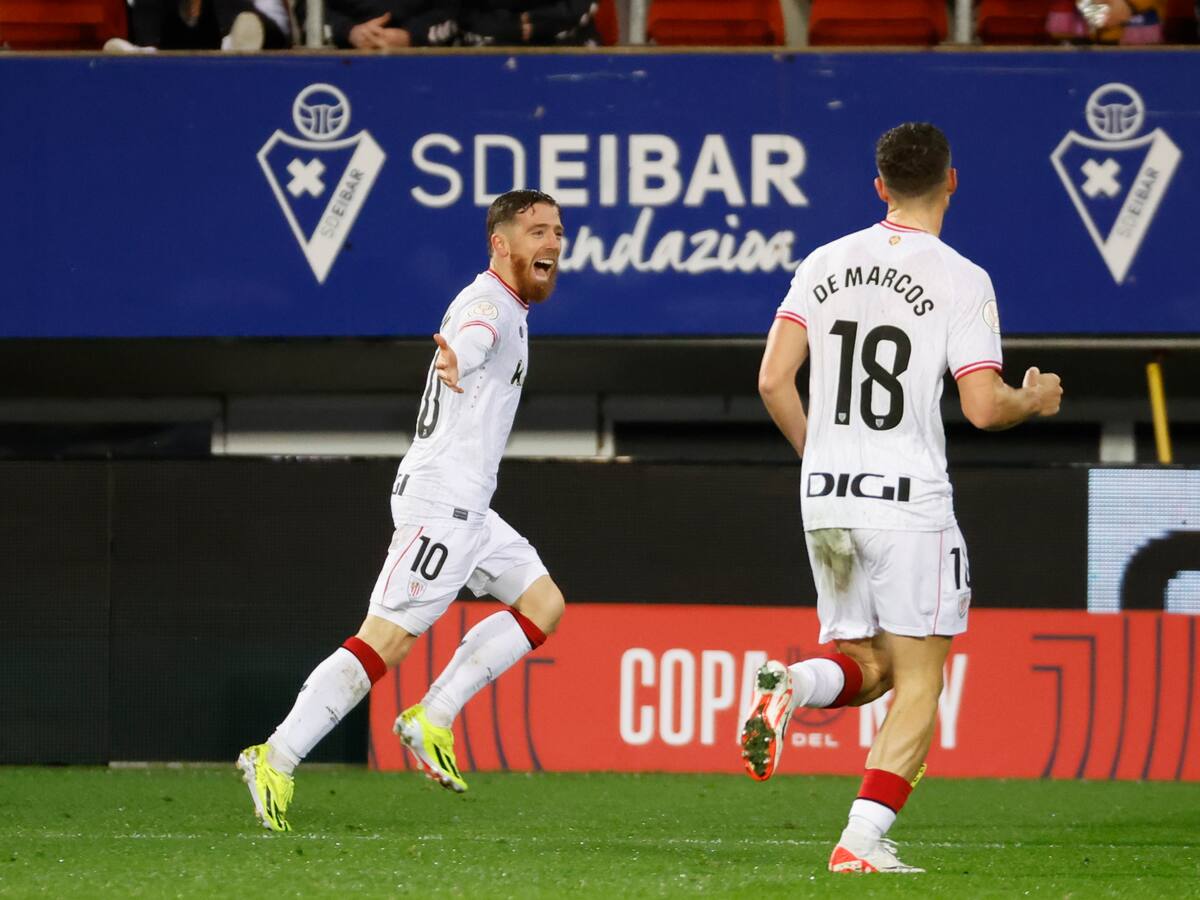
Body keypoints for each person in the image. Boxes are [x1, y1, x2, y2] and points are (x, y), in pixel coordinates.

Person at [741, 123, 1063, 874]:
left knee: (870, 662)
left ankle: (791, 683)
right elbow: (982, 407)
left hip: (825, 501)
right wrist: (1035, 398)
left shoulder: (823, 262)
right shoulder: (961, 277)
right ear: (951, 181)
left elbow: (772, 380)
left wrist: (822, 458)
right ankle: (859, 842)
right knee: (920, 681)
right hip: (907, 502)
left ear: (879, 186)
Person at [238, 189, 567, 832]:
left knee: (543, 604)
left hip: (468, 506)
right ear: (500, 243)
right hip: (444, 506)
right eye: (537, 231)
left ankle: (432, 716)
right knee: (383, 642)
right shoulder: (489, 306)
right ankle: (275, 756)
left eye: (557, 230)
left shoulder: (510, 304)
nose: (552, 241)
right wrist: (460, 354)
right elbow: (472, 338)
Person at [106, 0, 292, 51]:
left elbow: (280, 35)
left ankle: (233, 43)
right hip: (170, 50)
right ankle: (143, 53)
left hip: (251, 42)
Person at [294, 0, 459, 49]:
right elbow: (306, 9)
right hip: (342, 60)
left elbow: (459, 10)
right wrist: (349, 32)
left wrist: (411, 37)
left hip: (427, 60)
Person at [459, 0, 602, 46]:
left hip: (565, 40)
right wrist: (511, 27)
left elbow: (577, 8)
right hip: (489, 40)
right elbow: (461, 11)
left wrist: (536, 22)